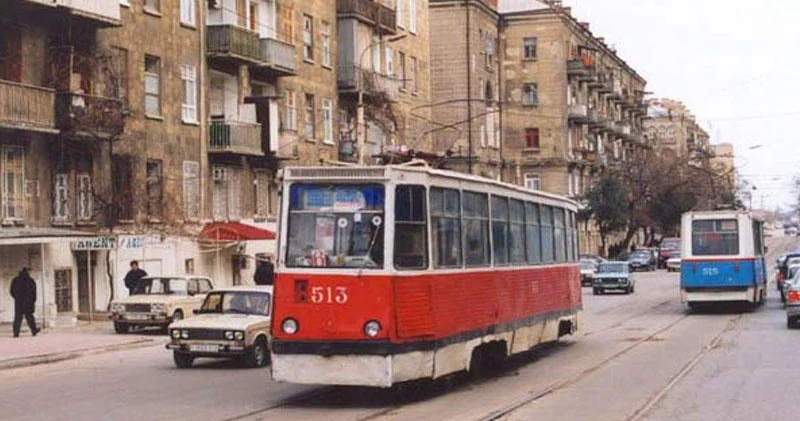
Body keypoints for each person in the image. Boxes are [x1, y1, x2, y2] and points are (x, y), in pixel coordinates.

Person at [10, 267, 39, 338]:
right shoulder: (30, 281)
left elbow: (12, 291)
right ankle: (34, 330)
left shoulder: (15, 280)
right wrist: (33, 301)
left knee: (17, 317)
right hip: (28, 302)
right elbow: (34, 293)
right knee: (29, 317)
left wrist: (16, 298)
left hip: (19, 302)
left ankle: (16, 333)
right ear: (27, 272)